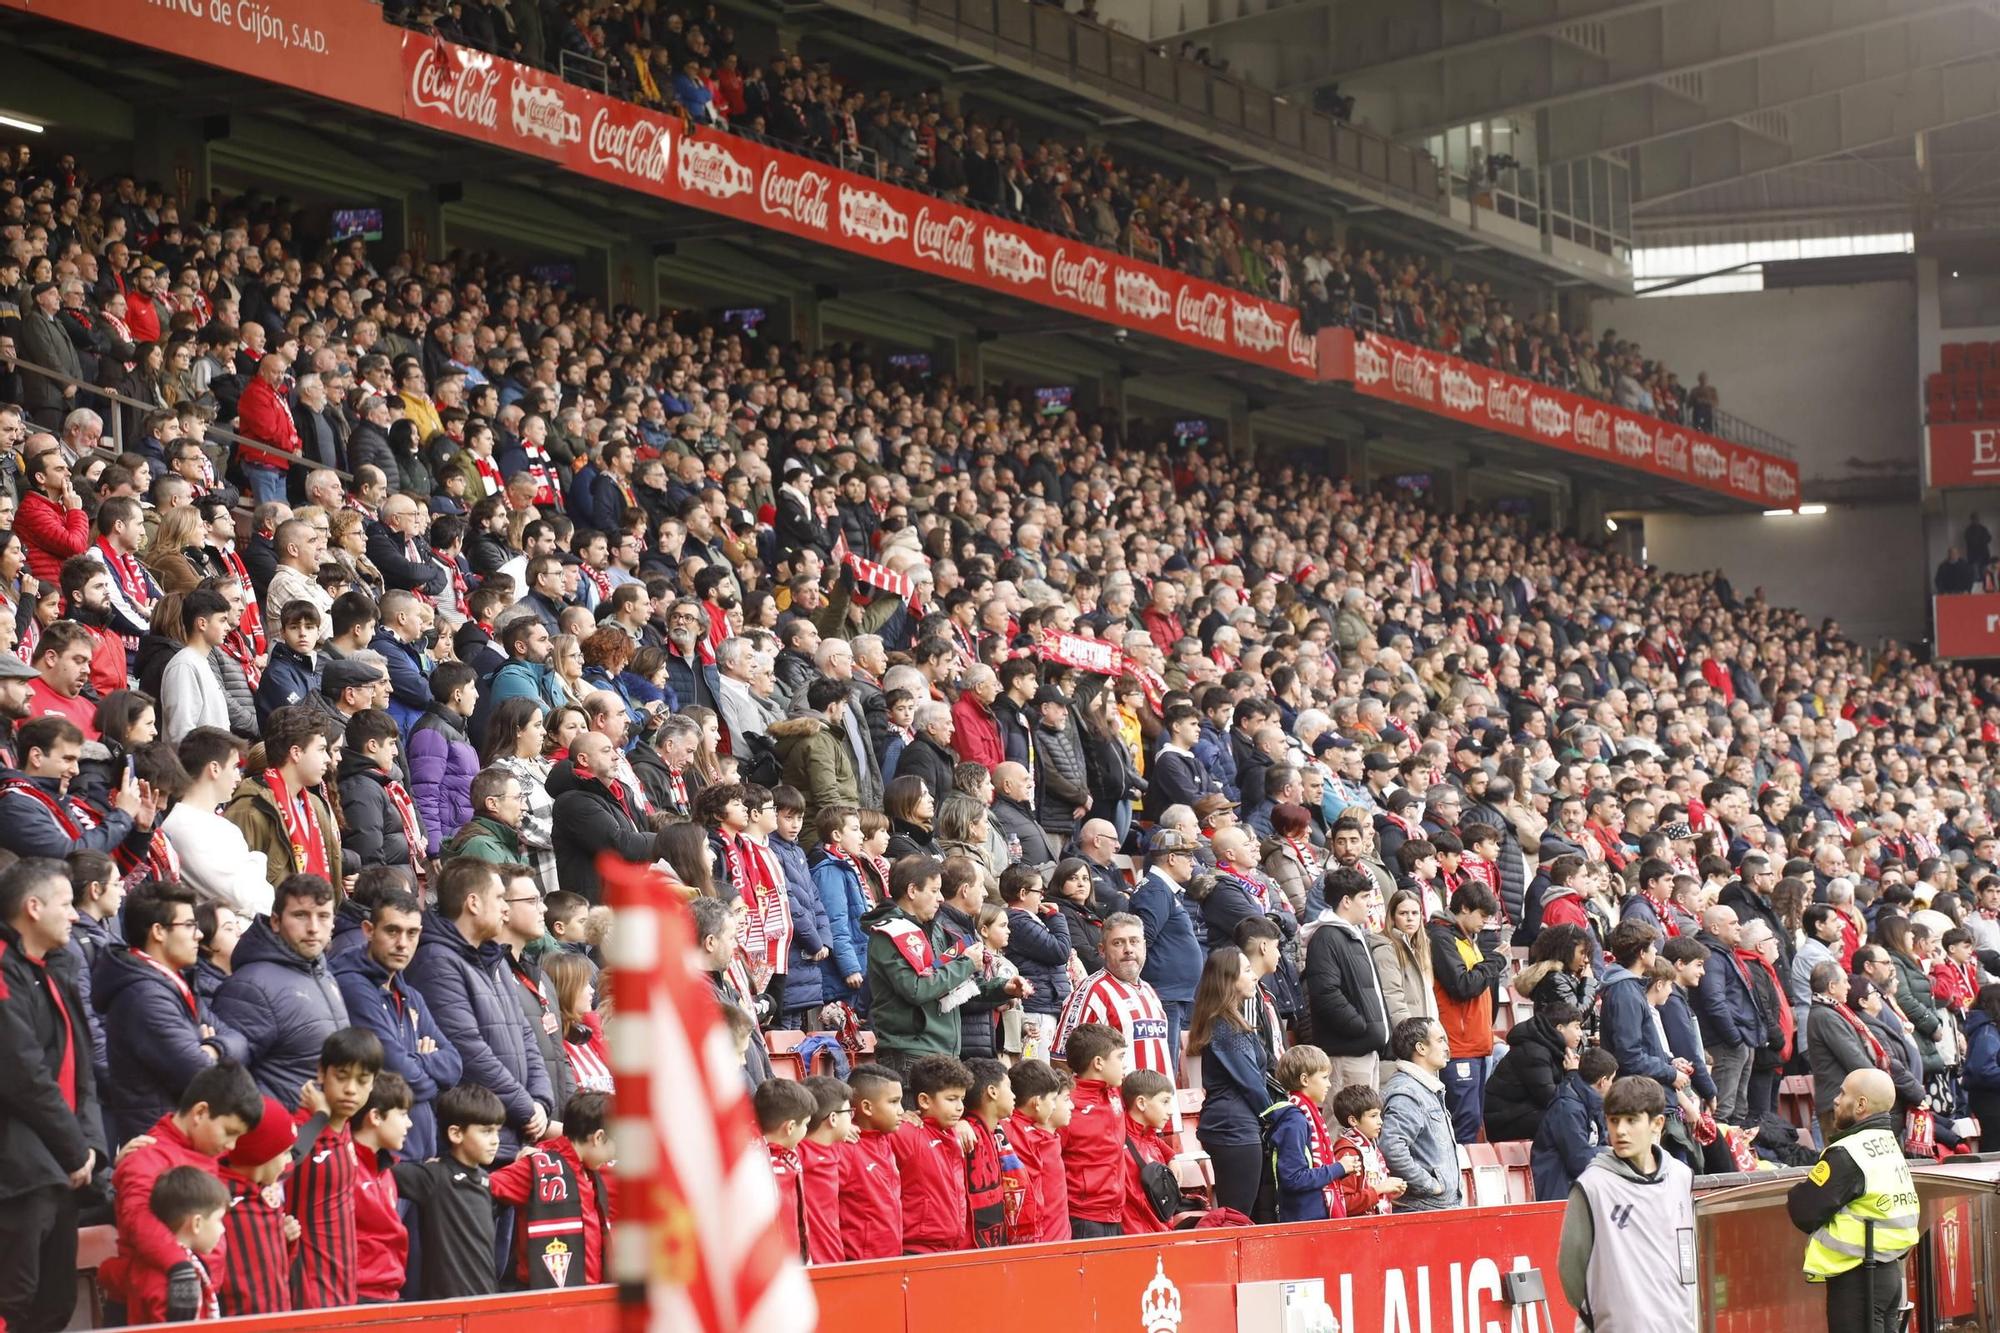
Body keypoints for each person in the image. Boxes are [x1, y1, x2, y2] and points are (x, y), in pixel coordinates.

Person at [404, 858, 555, 1162]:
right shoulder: (436, 962)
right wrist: (526, 1107)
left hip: (510, 1136)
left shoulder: (493, 960)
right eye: (499, 898)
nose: (505, 908)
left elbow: (527, 1037)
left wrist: (541, 1102)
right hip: (471, 1147)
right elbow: (468, 1051)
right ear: (473, 903)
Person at [97, 1059, 261, 1327]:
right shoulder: (148, 1157)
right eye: (229, 1132)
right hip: (151, 1306)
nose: (231, 1146)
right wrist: (179, 1268)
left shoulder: (204, 1151)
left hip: (197, 1296)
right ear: (199, 1113)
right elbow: (138, 1220)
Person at [94, 881, 251, 1143]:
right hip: (159, 1143)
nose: (198, 935)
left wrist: (211, 1046)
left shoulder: (173, 981)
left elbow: (241, 1041)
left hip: (178, 1136)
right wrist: (211, 1049)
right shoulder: (145, 996)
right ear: (158, 931)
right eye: (189, 925)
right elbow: (202, 1073)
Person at [1558, 1075, 1699, 1333]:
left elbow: (1685, 1254)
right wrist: (1608, 1315)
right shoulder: (1592, 1185)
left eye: (1631, 1120)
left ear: (1657, 1123)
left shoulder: (1681, 1176)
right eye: (1614, 1121)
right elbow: (1571, 1271)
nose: (1620, 1130)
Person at [330, 887, 461, 1163]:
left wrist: (414, 1061)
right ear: (368, 930)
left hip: (420, 1147)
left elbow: (454, 1065)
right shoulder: (353, 986)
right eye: (392, 931)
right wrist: (424, 1063)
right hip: (383, 1156)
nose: (403, 943)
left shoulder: (410, 994)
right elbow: (396, 1067)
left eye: (412, 933)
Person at [861, 854, 1022, 1072]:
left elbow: (957, 987)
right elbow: (916, 989)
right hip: (911, 1052)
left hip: (944, 1051)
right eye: (934, 891)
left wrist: (1003, 988)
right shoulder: (890, 933)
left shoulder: (934, 927)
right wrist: (966, 963)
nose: (940, 899)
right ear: (912, 891)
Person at [1787, 1068, 1919, 1333]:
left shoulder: (1850, 1152)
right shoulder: (1889, 1144)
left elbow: (1804, 1210)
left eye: (1843, 1093)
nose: (1835, 1100)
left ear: (1861, 1105)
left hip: (1859, 1279)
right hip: (1889, 1273)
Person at [289, 1025, 383, 1309]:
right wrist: (319, 1117)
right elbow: (281, 1169)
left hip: (343, 1288)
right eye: (341, 1077)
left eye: (362, 1080)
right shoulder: (297, 1132)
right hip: (306, 1293)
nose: (350, 1089)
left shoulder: (345, 1132)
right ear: (321, 1073)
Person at [489, 1090, 616, 1288]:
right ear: (598, 1137)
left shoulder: (595, 1173)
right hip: (544, 1300)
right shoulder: (538, 1168)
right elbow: (483, 1188)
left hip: (593, 1298)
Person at [391, 1083, 506, 1299]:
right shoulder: (433, 1176)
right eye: (486, 1131)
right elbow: (379, 1171)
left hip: (486, 1303)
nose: (495, 1140)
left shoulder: (484, 1180)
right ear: (455, 1133)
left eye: (497, 1131)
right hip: (446, 1309)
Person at [1188, 945, 1274, 1219]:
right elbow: (1250, 1081)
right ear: (1228, 979)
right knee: (1236, 1218)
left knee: (1238, 1214)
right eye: (1247, 971)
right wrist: (1275, 1115)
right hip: (1234, 1129)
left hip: (1233, 1126)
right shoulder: (1226, 1026)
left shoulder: (1226, 1021)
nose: (1254, 976)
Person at [223, 706, 341, 889]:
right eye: (321, 750)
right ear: (296, 753)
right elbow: (238, 889)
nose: (327, 758)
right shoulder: (249, 809)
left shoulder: (315, 803)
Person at [1428, 882, 1509, 1141]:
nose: (1485, 923)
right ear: (1464, 908)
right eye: (1482, 916)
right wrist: (1495, 961)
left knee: (1472, 1120)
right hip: (1457, 1045)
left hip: (1475, 1043)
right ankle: (1459, 1181)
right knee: (1463, 1120)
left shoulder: (1465, 938)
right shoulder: (1441, 936)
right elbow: (1463, 985)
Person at [1305, 864, 1393, 1098]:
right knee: (1344, 1125)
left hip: (1365, 1050)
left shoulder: (1351, 934)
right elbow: (1325, 993)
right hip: (1347, 1054)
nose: (1370, 903)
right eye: (1364, 897)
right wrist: (1360, 1027)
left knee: (1363, 1127)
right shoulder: (1326, 937)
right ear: (1346, 901)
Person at [1054, 911, 1174, 1076]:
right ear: (1102, 950)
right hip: (1118, 1101)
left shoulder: (1148, 990)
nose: (1128, 949)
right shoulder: (1092, 991)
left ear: (1144, 946)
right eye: (1118, 943)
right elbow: (1061, 1058)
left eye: (1134, 941)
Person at [891, 1054, 974, 1254]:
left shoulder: (955, 1131)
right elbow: (869, 1136)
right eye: (951, 1099)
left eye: (961, 1099)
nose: (960, 1107)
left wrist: (963, 1123)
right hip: (916, 1249)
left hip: (952, 1246)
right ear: (924, 1101)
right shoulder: (904, 1132)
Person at [1378, 1015, 1461, 1212]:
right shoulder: (1407, 1092)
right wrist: (1431, 1185)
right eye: (1440, 1040)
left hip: (1436, 1208)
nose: (1446, 1047)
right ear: (1421, 1048)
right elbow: (1392, 1148)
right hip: (1423, 1210)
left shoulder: (1423, 1088)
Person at [1058, 1021, 1129, 1239]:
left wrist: (1169, 1154)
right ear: (1098, 1063)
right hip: (1084, 1218)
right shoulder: (1068, 1105)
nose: (1124, 1065)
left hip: (1117, 1212)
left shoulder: (1114, 1092)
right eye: (1120, 1058)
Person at [1263, 1043, 1349, 1221]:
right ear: (1304, 1080)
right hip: (1304, 1219)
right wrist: (1339, 1168)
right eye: (1324, 1077)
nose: (1329, 1084)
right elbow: (1294, 1177)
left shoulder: (1305, 1115)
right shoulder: (1294, 1121)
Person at [350, 1071, 414, 1306]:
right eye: (403, 1114)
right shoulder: (343, 1165)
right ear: (375, 1116)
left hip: (389, 1294)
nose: (410, 1124)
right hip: (356, 1298)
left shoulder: (386, 1171)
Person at [1484, 1001, 1584, 1143]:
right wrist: (1572, 1073)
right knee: (1565, 1121)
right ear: (1560, 1028)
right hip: (1504, 1119)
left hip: (1525, 1112)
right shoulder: (1534, 1052)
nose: (1580, 1034)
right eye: (1577, 1027)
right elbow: (1550, 1098)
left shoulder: (1554, 1048)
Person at [840, 1065, 906, 1261]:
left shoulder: (886, 1138)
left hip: (892, 1260)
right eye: (894, 1102)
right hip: (860, 1268)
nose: (902, 1110)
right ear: (867, 1107)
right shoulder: (844, 1148)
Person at [1004, 1060, 1072, 1244]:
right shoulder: (1009, 1132)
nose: (1070, 1106)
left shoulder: (1048, 1133)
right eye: (1053, 1099)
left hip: (1061, 1240)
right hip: (1040, 1244)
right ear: (1036, 1103)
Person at [756, 1077, 816, 1261]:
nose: (806, 1131)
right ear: (790, 1127)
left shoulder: (791, 1154)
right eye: (805, 1125)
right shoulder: (755, 1166)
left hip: (797, 1258)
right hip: (772, 1268)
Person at [795, 1075, 853, 1264]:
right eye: (849, 1112)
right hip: (812, 1266)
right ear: (833, 1118)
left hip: (835, 1259)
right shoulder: (797, 1155)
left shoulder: (837, 1147)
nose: (852, 1119)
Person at [1330, 1081, 1406, 1217]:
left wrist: (1389, 1192)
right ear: (1353, 1120)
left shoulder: (1371, 1147)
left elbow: (1371, 1191)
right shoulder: (1348, 1152)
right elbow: (1343, 1203)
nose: (1380, 1121)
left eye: (1379, 1115)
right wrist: (1379, 1189)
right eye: (1373, 1116)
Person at [1119, 1068, 1177, 1236]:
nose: (1171, 1111)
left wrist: (1171, 1155)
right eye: (1165, 1102)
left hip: (1159, 1236)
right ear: (1141, 1103)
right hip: (1138, 1241)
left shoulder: (1150, 1140)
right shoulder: (1118, 1144)